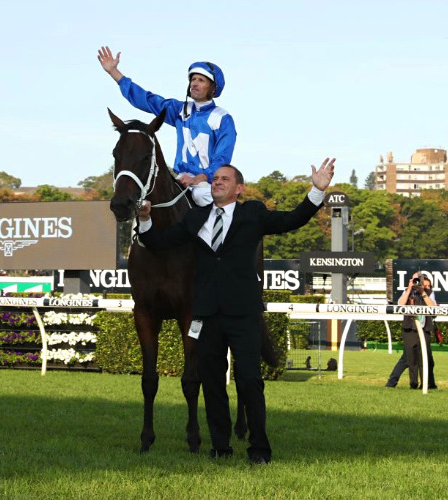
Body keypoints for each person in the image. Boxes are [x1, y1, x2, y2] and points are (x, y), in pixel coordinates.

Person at [137, 158, 335, 465]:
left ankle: (259, 449)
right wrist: (145, 219)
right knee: (213, 384)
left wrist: (317, 190)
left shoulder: (252, 214)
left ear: (238, 188)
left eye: (224, 179)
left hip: (243, 315)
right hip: (206, 316)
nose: (216, 182)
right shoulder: (196, 217)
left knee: (249, 382)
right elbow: (158, 242)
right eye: (215, 178)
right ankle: (220, 446)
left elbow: (292, 220)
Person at [97, 46, 236, 206]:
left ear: (213, 88)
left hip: (206, 184)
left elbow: (222, 158)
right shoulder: (179, 110)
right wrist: (115, 73)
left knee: (201, 197)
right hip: (180, 179)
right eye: (193, 79)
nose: (194, 84)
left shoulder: (223, 118)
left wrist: (199, 178)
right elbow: (146, 99)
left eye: (201, 80)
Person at [391, 273, 438, 389]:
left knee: (425, 358)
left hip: (424, 328)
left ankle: (426, 384)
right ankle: (413, 383)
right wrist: (409, 289)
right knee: (410, 358)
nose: (417, 282)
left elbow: (434, 309)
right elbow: (400, 304)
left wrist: (423, 293)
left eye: (418, 280)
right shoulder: (407, 291)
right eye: (414, 279)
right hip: (409, 329)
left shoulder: (429, 293)